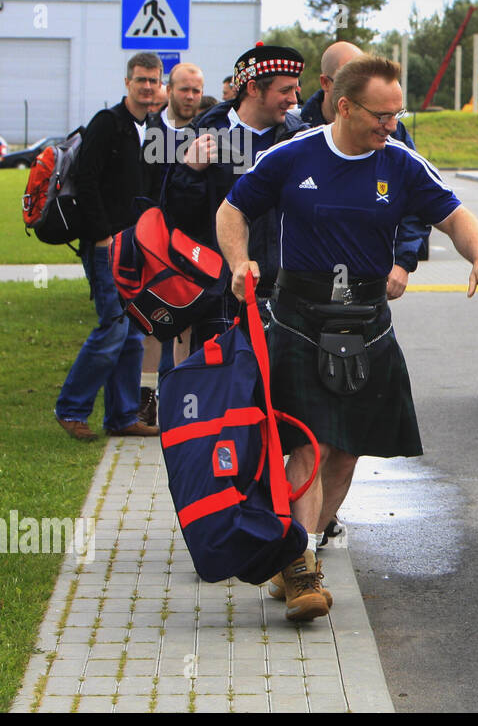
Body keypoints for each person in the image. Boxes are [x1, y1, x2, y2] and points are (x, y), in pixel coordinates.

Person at [216, 55, 478, 620]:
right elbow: (234, 209)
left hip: (367, 323)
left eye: (397, 115)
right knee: (309, 443)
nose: (390, 126)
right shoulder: (291, 157)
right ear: (344, 106)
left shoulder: (400, 164)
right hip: (300, 317)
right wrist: (238, 260)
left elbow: (455, 216)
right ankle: (302, 569)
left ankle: (297, 552)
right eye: (381, 115)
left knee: (346, 455)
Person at [54, 53, 165, 441]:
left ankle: (122, 417)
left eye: (153, 80)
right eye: (141, 80)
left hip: (137, 245)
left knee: (134, 333)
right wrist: (102, 235)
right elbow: (86, 180)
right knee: (113, 329)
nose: (147, 87)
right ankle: (71, 409)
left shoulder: (151, 127)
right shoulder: (108, 123)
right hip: (106, 245)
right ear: (127, 82)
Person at [165, 44, 307, 344]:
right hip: (222, 297)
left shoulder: (302, 139)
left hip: (292, 294)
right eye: (286, 91)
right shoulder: (202, 137)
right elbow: (177, 216)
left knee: (285, 390)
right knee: (225, 388)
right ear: (254, 88)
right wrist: (190, 171)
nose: (294, 100)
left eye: (296, 90)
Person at [300, 41, 430, 299]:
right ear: (326, 83)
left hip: (369, 284)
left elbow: (422, 200)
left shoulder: (392, 133)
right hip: (303, 288)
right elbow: (244, 205)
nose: (388, 126)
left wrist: (403, 262)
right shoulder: (295, 133)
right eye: (347, 76)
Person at [137, 62, 205, 422]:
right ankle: (145, 398)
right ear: (169, 89)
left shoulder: (206, 131)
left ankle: (177, 399)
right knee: (152, 320)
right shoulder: (149, 129)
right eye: (184, 90)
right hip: (151, 239)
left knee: (185, 323)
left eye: (196, 90)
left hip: (190, 243)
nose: (191, 97)